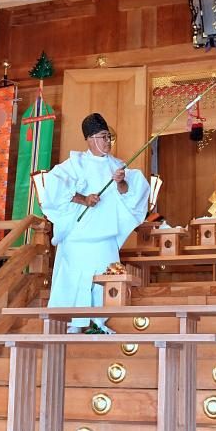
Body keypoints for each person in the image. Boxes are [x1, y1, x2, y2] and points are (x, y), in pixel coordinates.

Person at [41, 113, 150, 333]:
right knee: (77, 279)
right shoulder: (75, 164)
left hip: (105, 236)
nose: (108, 142)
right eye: (103, 137)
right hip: (79, 237)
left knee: (106, 279)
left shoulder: (117, 165)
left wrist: (121, 183)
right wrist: (84, 199)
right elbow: (53, 187)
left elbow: (129, 194)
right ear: (90, 139)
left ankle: (101, 323)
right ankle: (74, 322)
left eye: (109, 137)